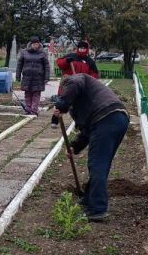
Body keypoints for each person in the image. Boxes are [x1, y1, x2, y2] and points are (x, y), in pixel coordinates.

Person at [53, 74, 129, 222]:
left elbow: (73, 86)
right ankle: (89, 199)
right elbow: (87, 130)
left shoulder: (74, 80)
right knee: (101, 163)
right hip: (118, 119)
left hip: (107, 119)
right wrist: (74, 147)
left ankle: (97, 209)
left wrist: (61, 103)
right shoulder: (83, 102)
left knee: (97, 164)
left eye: (65, 93)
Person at [52, 40, 100, 127]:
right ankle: (55, 120)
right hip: (67, 85)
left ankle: (79, 124)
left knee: (79, 107)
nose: (82, 50)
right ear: (78, 48)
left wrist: (89, 82)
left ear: (87, 49)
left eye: (84, 48)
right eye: (80, 48)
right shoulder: (71, 56)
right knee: (61, 103)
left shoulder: (89, 61)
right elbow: (59, 63)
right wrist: (66, 61)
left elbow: (94, 75)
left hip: (81, 86)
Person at [16, 35, 50, 115]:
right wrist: (18, 76)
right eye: (34, 44)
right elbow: (19, 65)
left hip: (38, 78)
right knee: (27, 94)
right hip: (27, 77)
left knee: (36, 95)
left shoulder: (42, 53)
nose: (35, 46)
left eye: (37, 44)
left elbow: (46, 66)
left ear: (39, 44)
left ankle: (34, 111)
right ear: (31, 44)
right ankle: (28, 110)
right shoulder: (24, 52)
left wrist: (46, 77)